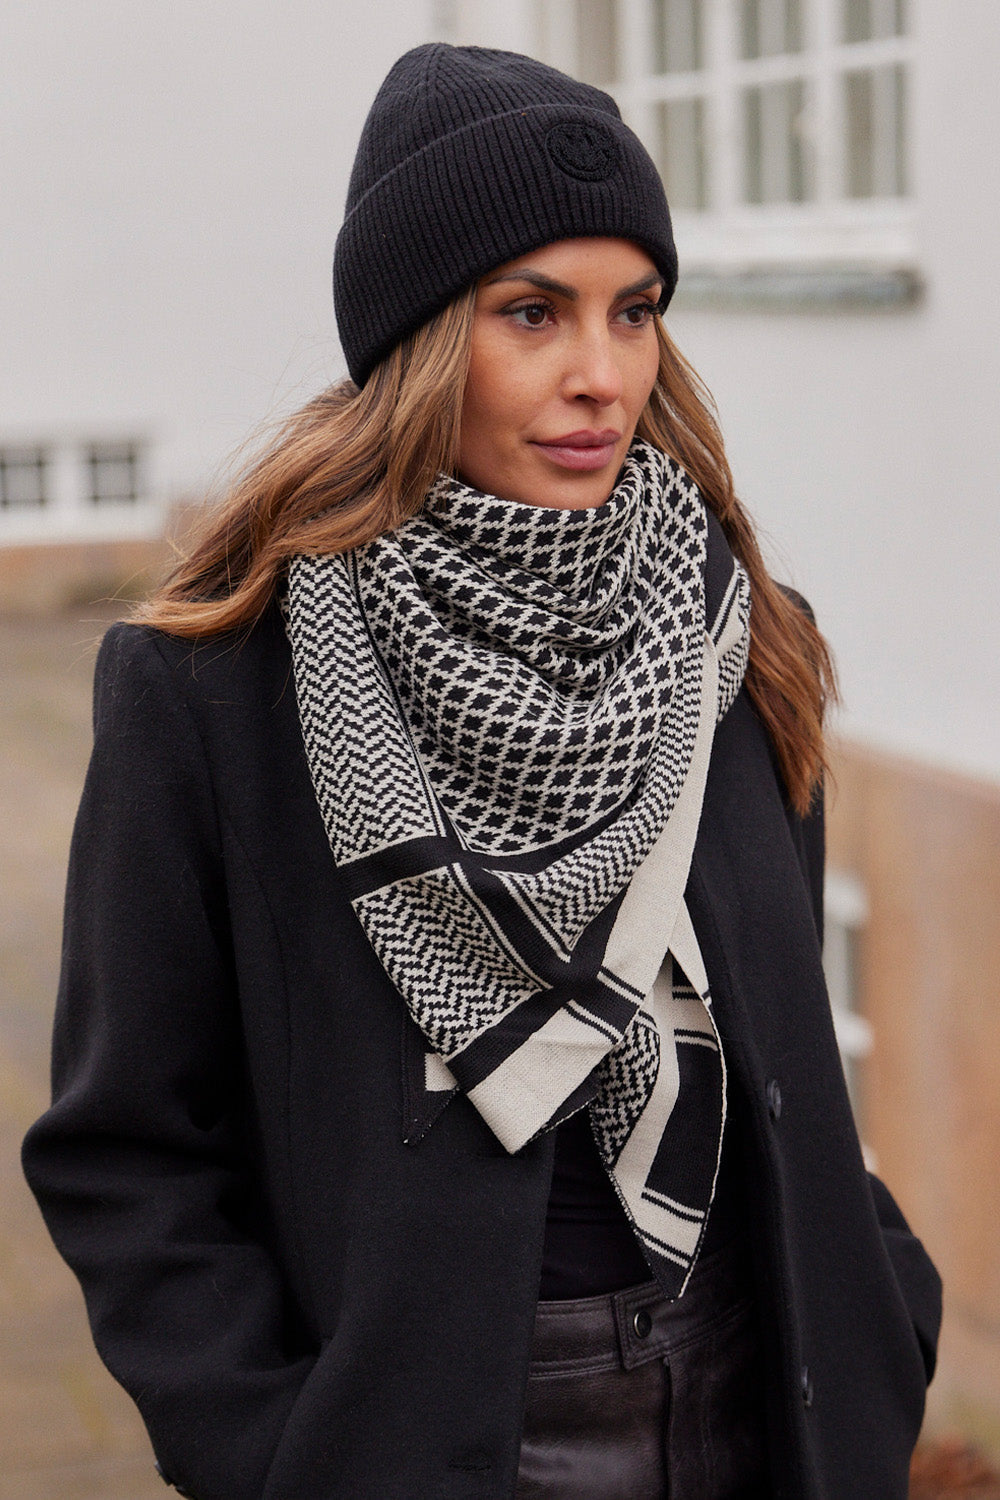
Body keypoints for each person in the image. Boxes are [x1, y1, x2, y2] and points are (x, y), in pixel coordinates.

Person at [23, 43, 941, 1500]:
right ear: (421, 339)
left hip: (773, 1409)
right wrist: (274, 1452)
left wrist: (885, 1304)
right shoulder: (216, 693)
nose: (601, 376)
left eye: (635, 311)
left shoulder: (739, 638)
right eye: (532, 312)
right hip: (445, 1444)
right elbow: (128, 1151)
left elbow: (787, 1049)